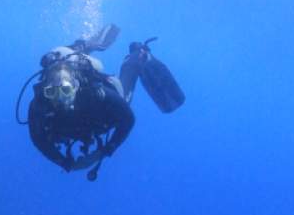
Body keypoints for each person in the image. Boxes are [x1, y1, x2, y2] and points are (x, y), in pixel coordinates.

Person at [19, 25, 184, 181]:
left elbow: (128, 119)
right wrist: (64, 162)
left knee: (125, 89)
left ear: (76, 87)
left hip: (106, 103)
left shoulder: (97, 94)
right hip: (87, 118)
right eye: (52, 92)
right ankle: (79, 47)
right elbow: (38, 139)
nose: (60, 98)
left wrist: (103, 152)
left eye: (66, 90)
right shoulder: (40, 104)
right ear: (45, 91)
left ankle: (137, 54)